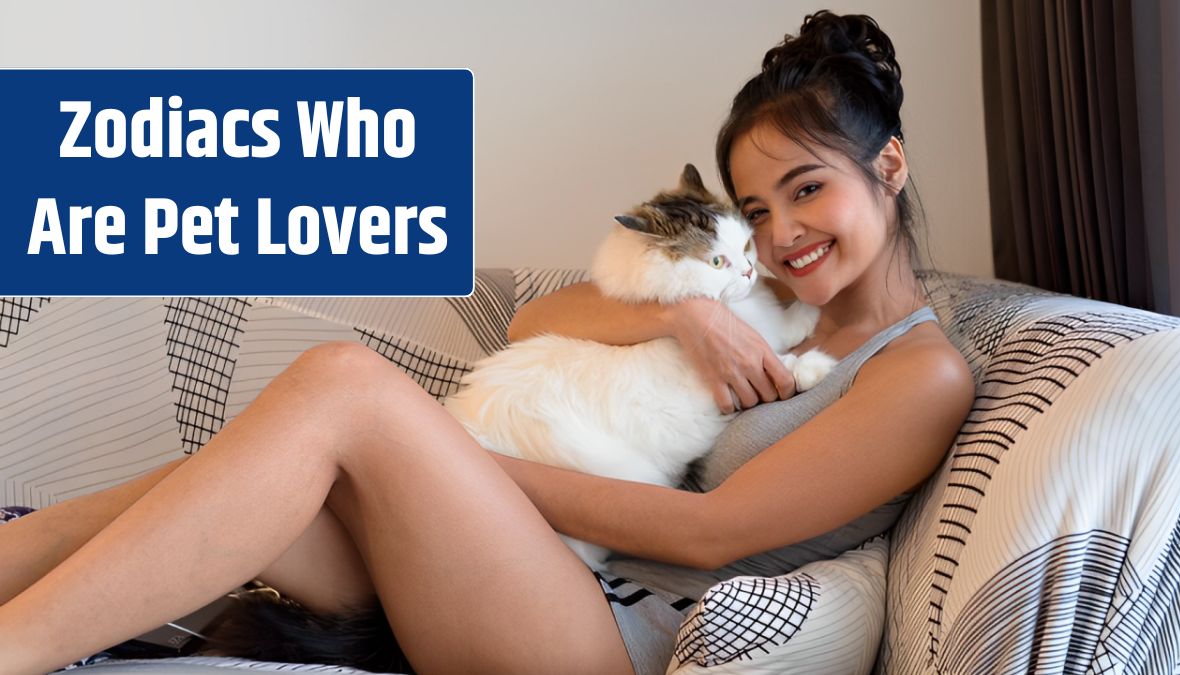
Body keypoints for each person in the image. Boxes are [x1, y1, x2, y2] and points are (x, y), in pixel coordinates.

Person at [0, 10, 973, 675]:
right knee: (257, 476)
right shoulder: (766, 295)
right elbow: (534, 322)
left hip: (603, 634)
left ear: (887, 165)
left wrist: (439, 457)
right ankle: (18, 566)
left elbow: (709, 535)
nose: (782, 231)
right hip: (532, 565)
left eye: (809, 189)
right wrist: (686, 314)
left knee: (345, 390)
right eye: (758, 208)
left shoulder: (919, 373)